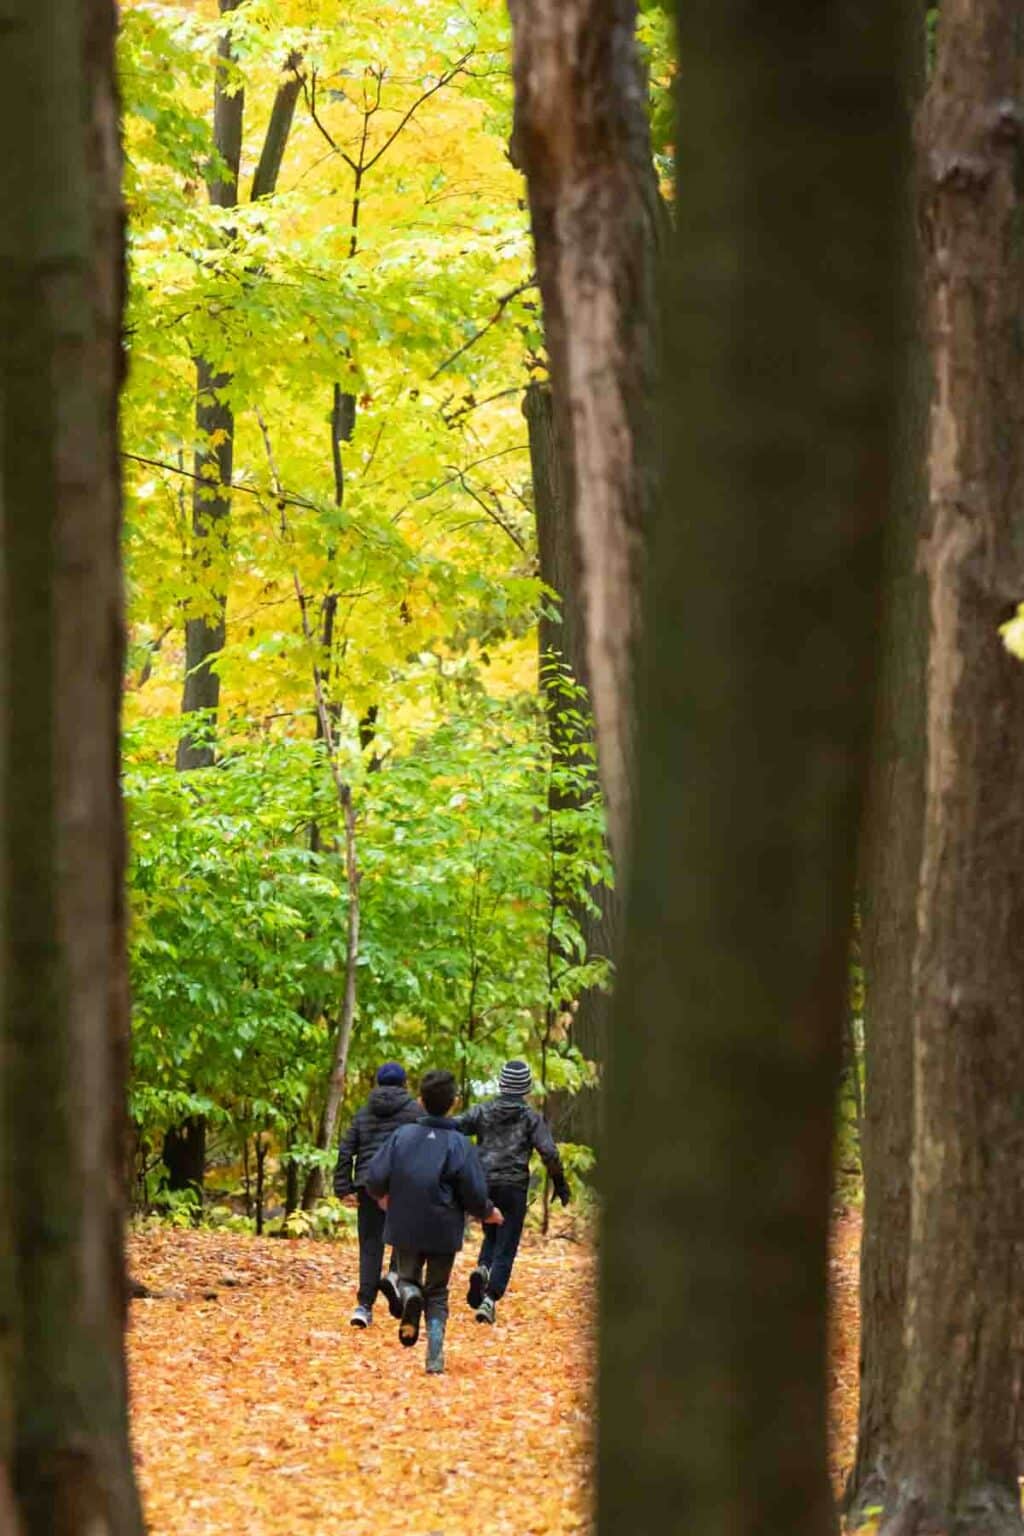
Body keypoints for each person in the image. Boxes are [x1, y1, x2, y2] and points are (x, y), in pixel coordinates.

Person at [364, 1068, 503, 1375]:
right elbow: (474, 1191)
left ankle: (410, 1294)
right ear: (453, 1103)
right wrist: (487, 1212)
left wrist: (381, 1196)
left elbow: (374, 1175)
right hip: (443, 1227)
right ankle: (435, 1356)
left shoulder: (402, 1136)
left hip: (405, 1222)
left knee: (406, 1276)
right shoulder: (459, 1144)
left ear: (420, 1101)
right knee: (437, 1291)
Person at [454, 1059, 570, 1325]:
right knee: (507, 1244)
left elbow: (455, 1126)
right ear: (526, 1087)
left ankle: (483, 1268)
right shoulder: (531, 1118)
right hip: (514, 1186)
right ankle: (490, 1299)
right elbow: (549, 1152)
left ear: (501, 1083)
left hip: (484, 1185)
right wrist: (560, 1183)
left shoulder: (483, 1112)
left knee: (491, 1233)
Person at [332, 1062, 422, 1328]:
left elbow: (346, 1150)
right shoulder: (415, 1112)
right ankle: (394, 1278)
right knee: (404, 1240)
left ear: (378, 1083)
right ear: (404, 1084)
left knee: (371, 1245)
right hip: (403, 1185)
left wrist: (343, 1188)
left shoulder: (363, 1112)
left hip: (368, 1185)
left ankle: (364, 1306)